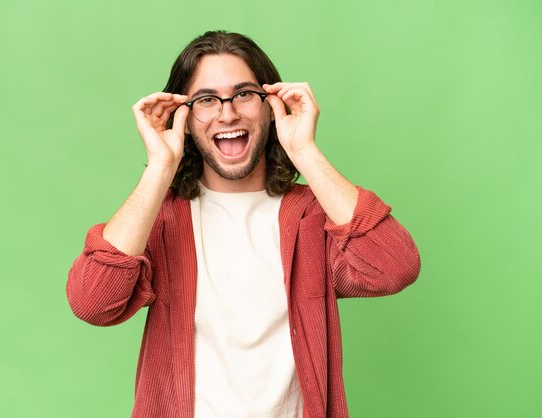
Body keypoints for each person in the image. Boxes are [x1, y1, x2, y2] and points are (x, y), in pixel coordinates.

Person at [66, 30, 421, 418]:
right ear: (183, 118)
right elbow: (93, 304)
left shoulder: (313, 217)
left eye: (244, 94)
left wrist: (304, 150)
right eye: (206, 100)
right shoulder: (161, 219)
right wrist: (160, 168)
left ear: (271, 105)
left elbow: (394, 268)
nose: (228, 113)